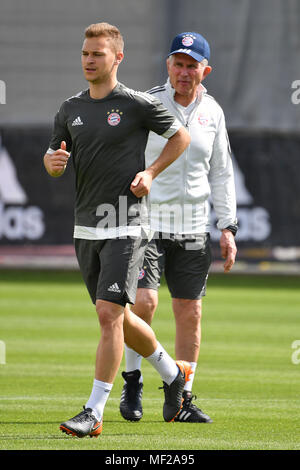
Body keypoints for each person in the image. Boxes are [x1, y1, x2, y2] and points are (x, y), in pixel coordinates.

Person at [43, 23, 192, 438]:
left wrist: (151, 171)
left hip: (126, 224)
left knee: (108, 315)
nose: (89, 60)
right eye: (86, 53)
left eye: (98, 54)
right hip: (86, 229)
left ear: (117, 58)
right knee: (120, 317)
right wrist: (51, 163)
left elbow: (181, 137)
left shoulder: (136, 104)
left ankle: (93, 413)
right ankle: (172, 372)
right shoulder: (69, 107)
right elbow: (54, 154)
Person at [120, 32, 238, 423]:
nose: (184, 72)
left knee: (190, 312)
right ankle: (133, 380)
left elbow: (221, 171)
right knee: (144, 303)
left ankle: (181, 399)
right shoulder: (147, 103)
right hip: (148, 222)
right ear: (167, 65)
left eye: (192, 65)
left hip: (193, 227)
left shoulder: (214, 112)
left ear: (206, 70)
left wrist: (228, 226)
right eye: (178, 63)